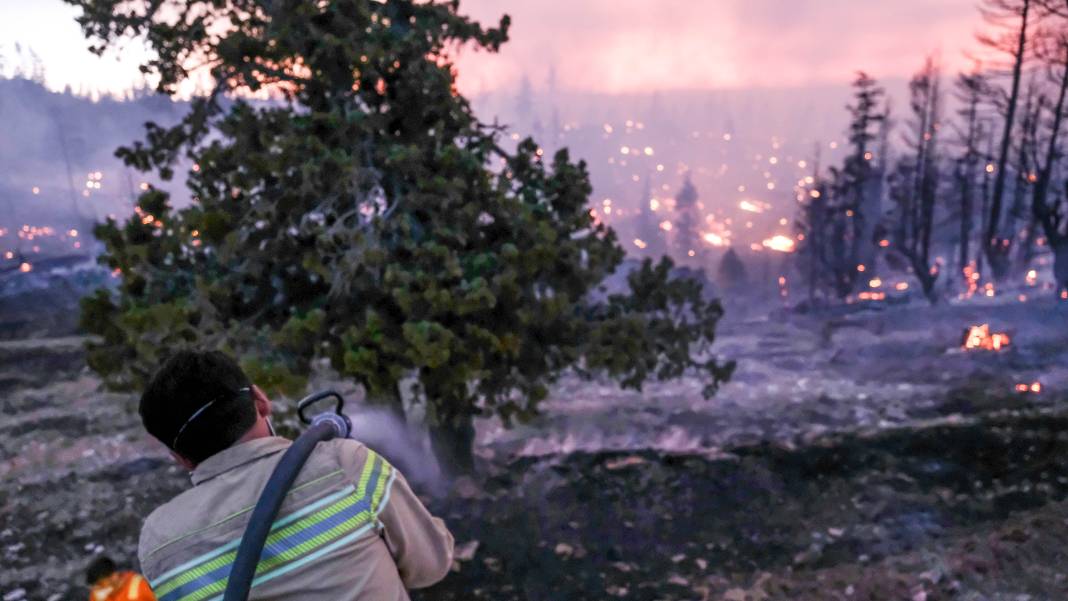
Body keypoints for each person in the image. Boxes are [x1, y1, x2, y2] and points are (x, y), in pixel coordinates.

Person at [135, 350, 454, 601]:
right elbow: (431, 565)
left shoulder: (159, 541)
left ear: (180, 458)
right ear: (261, 401)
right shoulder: (344, 464)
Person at [86, 556, 156, 601]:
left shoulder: (138, 588)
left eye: (100, 583)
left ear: (112, 577)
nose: (97, 588)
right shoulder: (97, 593)